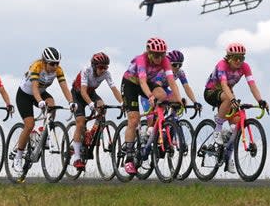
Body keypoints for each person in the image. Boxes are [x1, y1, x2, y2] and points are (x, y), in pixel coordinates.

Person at [120, 37, 183, 175]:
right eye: (156, 55)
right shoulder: (141, 59)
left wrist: (179, 100)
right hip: (131, 84)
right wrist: (150, 96)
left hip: (146, 83)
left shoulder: (165, 61)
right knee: (133, 120)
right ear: (149, 52)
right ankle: (129, 158)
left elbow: (172, 82)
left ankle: (154, 125)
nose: (159, 58)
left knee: (163, 95)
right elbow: (142, 82)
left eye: (162, 55)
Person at [204, 42, 269, 174]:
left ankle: (227, 157)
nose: (239, 61)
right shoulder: (222, 65)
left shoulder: (245, 67)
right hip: (211, 92)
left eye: (241, 58)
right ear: (228, 57)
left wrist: (260, 100)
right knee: (229, 98)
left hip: (227, 94)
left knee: (236, 126)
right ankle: (217, 129)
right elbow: (223, 84)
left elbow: (252, 85)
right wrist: (232, 99)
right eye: (235, 58)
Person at [13, 47, 76, 173]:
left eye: (57, 63)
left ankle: (45, 134)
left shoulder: (58, 70)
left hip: (41, 93)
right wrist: (40, 101)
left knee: (52, 104)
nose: (55, 66)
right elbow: (35, 88)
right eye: (52, 63)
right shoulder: (37, 67)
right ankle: (18, 157)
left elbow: (64, 88)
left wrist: (71, 102)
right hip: (25, 95)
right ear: (44, 61)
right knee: (29, 124)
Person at [70, 52, 124, 171]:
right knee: (80, 122)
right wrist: (90, 104)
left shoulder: (106, 74)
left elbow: (114, 89)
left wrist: (122, 103)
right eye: (100, 67)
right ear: (94, 66)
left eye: (106, 67)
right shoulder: (86, 70)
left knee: (102, 107)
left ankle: (92, 133)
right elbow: (83, 92)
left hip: (91, 93)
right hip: (78, 94)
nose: (103, 70)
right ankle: (77, 158)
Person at [138, 49, 203, 123]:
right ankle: (148, 130)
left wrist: (195, 102)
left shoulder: (180, 72)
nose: (177, 67)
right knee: (151, 121)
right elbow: (157, 86)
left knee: (177, 99)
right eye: (175, 64)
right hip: (151, 91)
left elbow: (186, 87)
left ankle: (172, 121)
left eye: (180, 65)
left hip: (164, 89)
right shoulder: (162, 71)